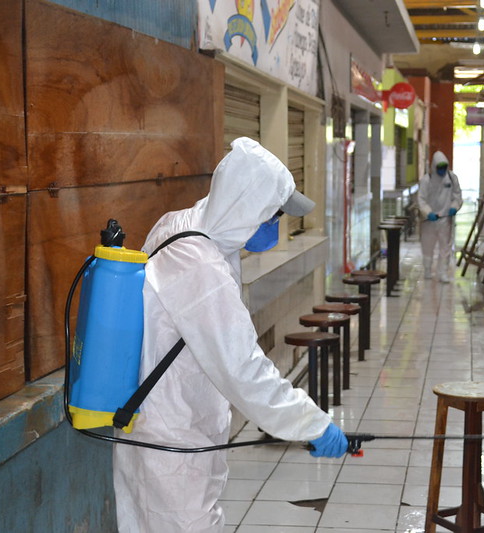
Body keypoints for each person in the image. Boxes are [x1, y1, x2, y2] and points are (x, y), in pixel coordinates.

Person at [113, 137, 348, 532]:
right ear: (246, 207)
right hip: (170, 434)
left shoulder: (187, 225)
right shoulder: (198, 264)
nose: (275, 226)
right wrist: (310, 423)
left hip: (178, 424)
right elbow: (242, 367)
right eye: (272, 216)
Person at [417, 151, 463, 283]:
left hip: (445, 219)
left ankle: (442, 272)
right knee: (428, 246)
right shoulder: (427, 180)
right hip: (429, 220)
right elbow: (421, 199)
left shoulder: (451, 178)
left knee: (445, 247)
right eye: (440, 167)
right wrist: (427, 212)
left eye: (444, 167)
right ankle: (427, 269)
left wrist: (454, 206)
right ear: (434, 166)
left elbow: (457, 195)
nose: (442, 170)